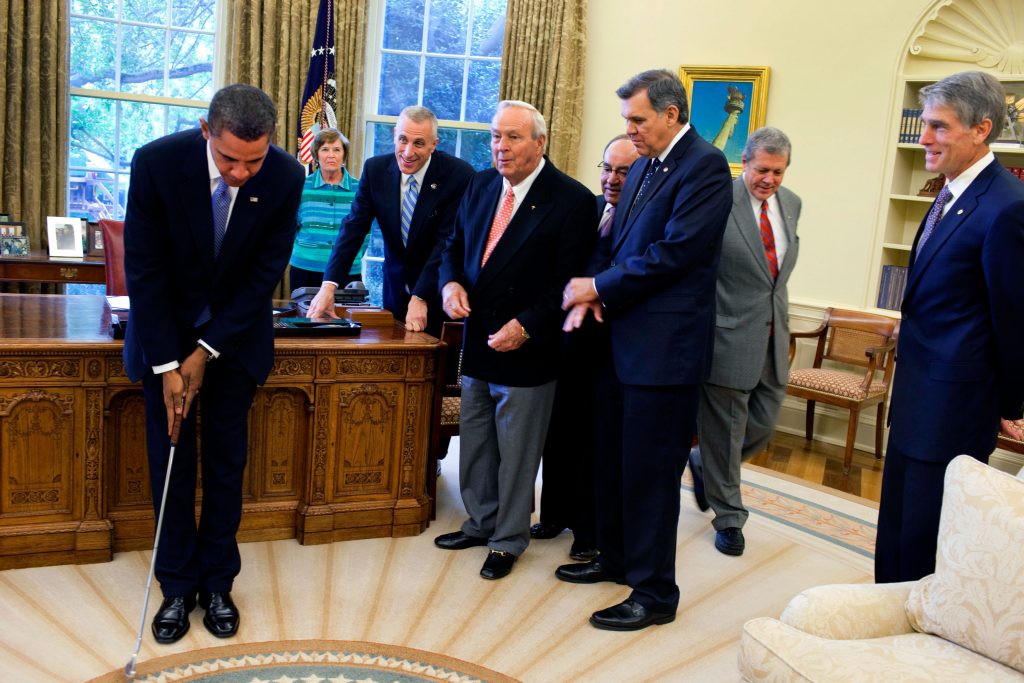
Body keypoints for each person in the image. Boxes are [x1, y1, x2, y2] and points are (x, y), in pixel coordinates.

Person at [122, 84, 304, 644]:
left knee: (227, 462)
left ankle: (218, 581)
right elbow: (145, 272)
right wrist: (169, 364)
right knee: (172, 459)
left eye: (254, 159)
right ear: (206, 131)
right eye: (229, 158)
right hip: (164, 335)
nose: (243, 172)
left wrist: (206, 353)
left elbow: (261, 279)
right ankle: (177, 584)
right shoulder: (157, 163)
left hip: (235, 339)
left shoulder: (285, 175)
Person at [557, 68, 732, 631]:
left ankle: (655, 593)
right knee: (612, 460)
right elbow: (610, 244)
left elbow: (676, 252)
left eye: (638, 119)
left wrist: (600, 288)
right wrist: (591, 288)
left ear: (672, 115)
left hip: (665, 353)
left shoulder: (704, 167)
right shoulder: (644, 166)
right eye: (626, 119)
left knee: (651, 477)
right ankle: (616, 557)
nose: (629, 129)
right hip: (619, 344)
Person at [432, 100, 596, 581]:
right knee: (477, 440)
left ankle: (507, 540)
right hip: (478, 339)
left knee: (517, 450)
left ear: (539, 143)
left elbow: (569, 280)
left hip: (530, 345)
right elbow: (454, 248)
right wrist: (450, 284)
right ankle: (481, 522)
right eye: (495, 137)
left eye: (512, 137)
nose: (500, 147)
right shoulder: (481, 184)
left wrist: (526, 325)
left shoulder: (572, 200)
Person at [875, 70, 1024, 584]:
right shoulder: (951, 193)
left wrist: (1010, 405)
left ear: (981, 129)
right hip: (918, 395)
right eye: (924, 125)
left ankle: (914, 640)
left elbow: (1013, 317)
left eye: (939, 127)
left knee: (925, 536)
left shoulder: (1007, 205)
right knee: (896, 523)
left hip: (955, 407)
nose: (925, 138)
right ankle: (885, 612)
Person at [689, 127, 801, 557]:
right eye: (761, 170)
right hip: (727, 334)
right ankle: (729, 517)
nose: (769, 180)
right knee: (727, 428)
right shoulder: (721, 202)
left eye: (778, 171)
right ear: (745, 163)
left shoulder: (791, 205)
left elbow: (775, 279)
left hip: (773, 336)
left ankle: (703, 462)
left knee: (763, 424)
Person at [531, 134, 638, 561]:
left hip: (610, 346)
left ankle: (588, 532)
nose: (612, 178)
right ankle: (554, 513)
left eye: (624, 171)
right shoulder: (587, 207)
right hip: (567, 341)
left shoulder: (640, 219)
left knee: (596, 443)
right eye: (607, 168)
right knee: (560, 433)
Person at [306, 105, 474, 334]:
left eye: (419, 143)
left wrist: (421, 295)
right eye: (403, 140)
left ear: (434, 144)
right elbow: (354, 228)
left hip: (438, 295)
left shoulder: (459, 176)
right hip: (395, 291)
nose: (407, 152)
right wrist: (329, 285)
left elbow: (445, 243)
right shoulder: (375, 170)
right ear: (395, 135)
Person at [288, 128, 366, 291]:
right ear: (316, 155)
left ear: (344, 155)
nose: (331, 155)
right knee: (304, 316)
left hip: (347, 270)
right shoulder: (301, 186)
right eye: (325, 149)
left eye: (337, 150)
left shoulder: (360, 188)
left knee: (344, 316)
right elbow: (289, 226)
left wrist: (352, 256)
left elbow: (366, 231)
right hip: (305, 269)